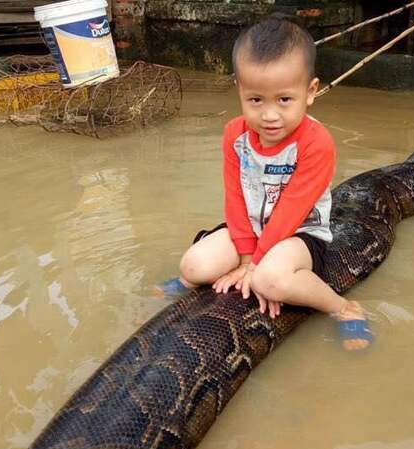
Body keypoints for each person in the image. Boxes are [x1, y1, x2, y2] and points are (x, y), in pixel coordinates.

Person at [156, 14, 372, 350]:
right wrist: (244, 257)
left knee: (270, 280)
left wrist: (255, 265)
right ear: (240, 91)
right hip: (250, 230)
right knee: (194, 265)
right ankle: (191, 280)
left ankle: (343, 308)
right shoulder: (235, 135)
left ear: (310, 91)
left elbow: (292, 210)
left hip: (300, 235)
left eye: (284, 100)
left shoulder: (316, 143)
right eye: (256, 100)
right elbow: (236, 198)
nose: (269, 115)